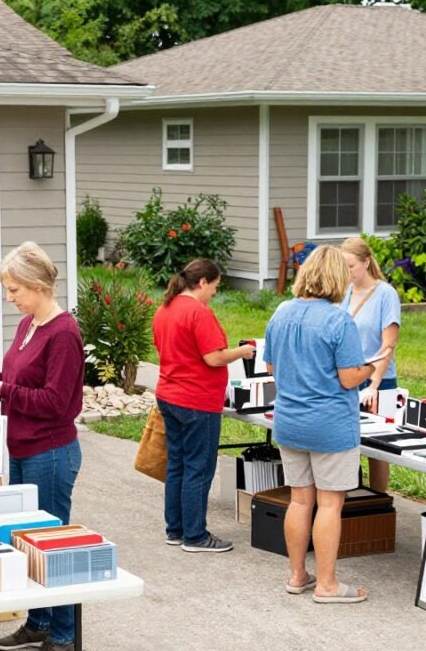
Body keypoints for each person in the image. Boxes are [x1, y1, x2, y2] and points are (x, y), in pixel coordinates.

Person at [0, 241, 84, 651]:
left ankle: (64, 635)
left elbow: (55, 400)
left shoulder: (63, 332)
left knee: (51, 544)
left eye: (14, 289)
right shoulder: (30, 324)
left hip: (51, 449)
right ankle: (38, 620)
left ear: (36, 285)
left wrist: (4, 391)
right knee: (27, 539)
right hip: (24, 445)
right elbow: (14, 377)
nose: (10, 298)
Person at [265, 246, 380, 603]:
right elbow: (349, 378)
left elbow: (271, 368)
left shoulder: (281, 312)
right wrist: (371, 367)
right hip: (329, 424)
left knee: (300, 501)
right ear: (336, 277)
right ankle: (328, 585)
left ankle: (297, 574)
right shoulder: (338, 320)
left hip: (289, 419)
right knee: (330, 504)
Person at [152, 258, 255, 553]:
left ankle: (176, 529)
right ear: (202, 283)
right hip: (197, 400)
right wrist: (242, 352)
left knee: (177, 465)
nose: (214, 293)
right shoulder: (198, 312)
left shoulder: (164, 309)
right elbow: (214, 357)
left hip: (169, 394)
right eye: (215, 286)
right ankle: (196, 536)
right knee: (198, 467)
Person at [340, 237, 401, 493]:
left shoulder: (385, 294)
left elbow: (388, 345)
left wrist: (374, 384)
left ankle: (379, 500)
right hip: (349, 375)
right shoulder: (344, 291)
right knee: (347, 443)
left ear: (366, 263)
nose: (348, 272)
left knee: (377, 449)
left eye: (351, 266)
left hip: (379, 379)